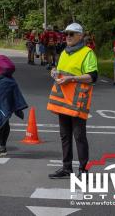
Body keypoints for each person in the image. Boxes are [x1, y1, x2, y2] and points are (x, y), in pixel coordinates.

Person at [47, 22, 98, 179]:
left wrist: (72, 79)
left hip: (77, 101)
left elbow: (92, 77)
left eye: (71, 34)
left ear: (80, 36)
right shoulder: (64, 52)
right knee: (64, 135)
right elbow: (59, 69)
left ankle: (83, 170)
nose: (67, 37)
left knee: (79, 136)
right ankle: (66, 168)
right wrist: (54, 71)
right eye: (66, 34)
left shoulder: (87, 53)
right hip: (63, 101)